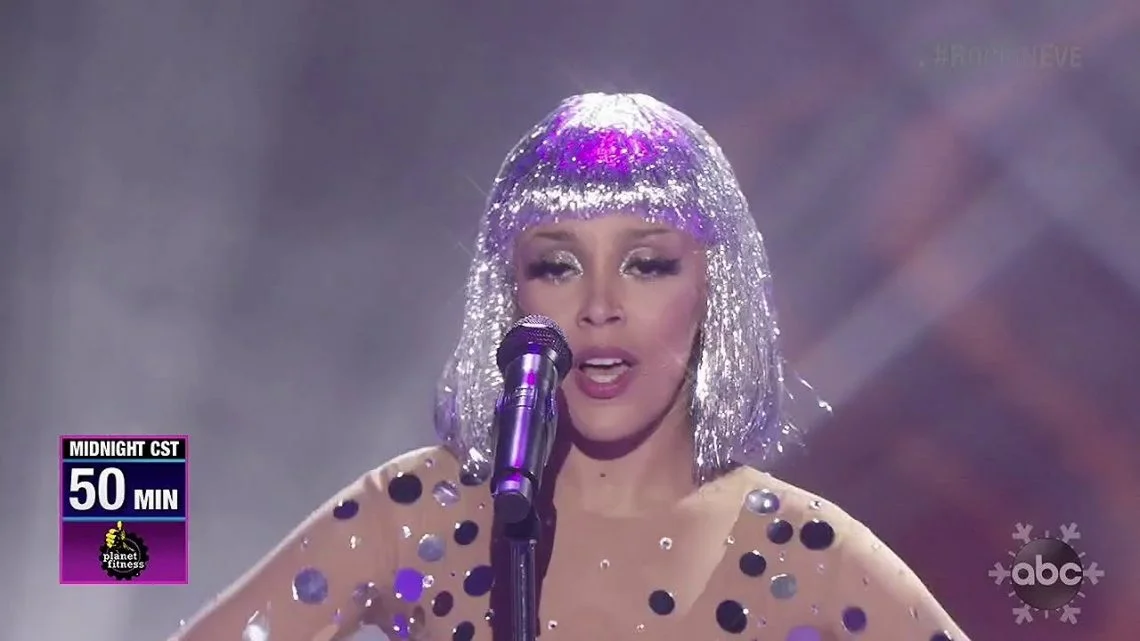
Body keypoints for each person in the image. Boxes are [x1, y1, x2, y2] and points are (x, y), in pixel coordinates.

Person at [172, 93, 969, 641]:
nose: (598, 305)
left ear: (713, 291)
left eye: (647, 264)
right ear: (510, 293)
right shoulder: (414, 512)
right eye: (556, 265)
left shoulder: (804, 550)